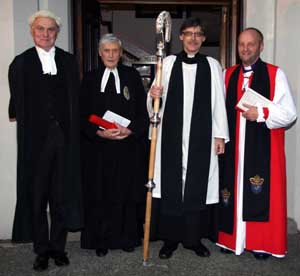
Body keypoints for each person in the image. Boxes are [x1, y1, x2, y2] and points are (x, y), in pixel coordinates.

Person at [148, 17, 229, 259]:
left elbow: (219, 103)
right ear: (180, 37)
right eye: (188, 33)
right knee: (173, 185)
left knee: (196, 185)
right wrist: (154, 94)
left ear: (203, 38)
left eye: (198, 34)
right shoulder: (168, 63)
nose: (193, 38)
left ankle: (193, 240)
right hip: (172, 134)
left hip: (201, 136)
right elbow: (153, 103)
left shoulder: (212, 65)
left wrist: (220, 135)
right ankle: (170, 240)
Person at [8, 10, 82, 271]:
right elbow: (16, 102)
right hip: (35, 144)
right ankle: (41, 249)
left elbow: (76, 102)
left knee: (61, 196)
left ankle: (58, 247)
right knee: (37, 197)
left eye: (50, 29)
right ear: (32, 31)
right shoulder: (21, 63)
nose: (45, 34)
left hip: (64, 142)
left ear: (57, 33)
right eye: (40, 29)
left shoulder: (69, 61)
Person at [217, 27, 297, 260]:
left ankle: (259, 243)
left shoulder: (275, 74)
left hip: (263, 149)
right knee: (231, 190)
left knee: (258, 190)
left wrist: (261, 113)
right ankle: (232, 240)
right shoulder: (228, 74)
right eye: (242, 44)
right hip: (234, 149)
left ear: (261, 46)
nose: (245, 48)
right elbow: (218, 110)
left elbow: (289, 114)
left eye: (251, 44)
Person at [80, 34, 149, 257]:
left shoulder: (131, 76)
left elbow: (142, 113)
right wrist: (99, 133)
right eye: (106, 51)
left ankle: (126, 237)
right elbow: (81, 114)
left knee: (125, 193)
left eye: (115, 51)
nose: (111, 55)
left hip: (126, 147)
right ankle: (101, 240)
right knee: (100, 194)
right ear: (100, 54)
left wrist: (130, 130)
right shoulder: (90, 78)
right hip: (98, 149)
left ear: (121, 54)